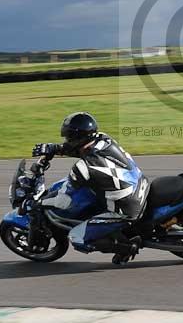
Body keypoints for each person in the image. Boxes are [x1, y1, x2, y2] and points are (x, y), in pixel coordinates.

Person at [30, 112, 149, 264]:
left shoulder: (82, 169)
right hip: (139, 185)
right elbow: (81, 149)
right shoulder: (103, 139)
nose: (67, 140)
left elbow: (63, 201)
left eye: (69, 138)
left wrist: (40, 202)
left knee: (77, 237)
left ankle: (127, 248)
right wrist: (55, 148)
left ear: (77, 138)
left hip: (127, 208)